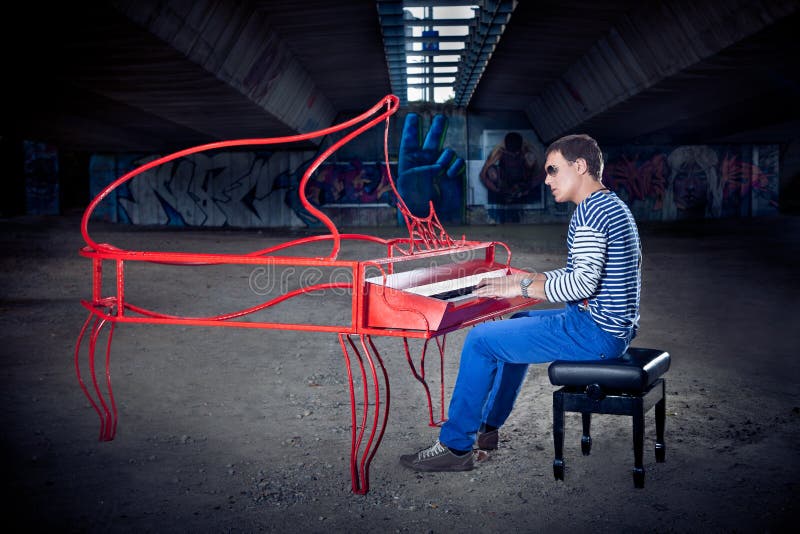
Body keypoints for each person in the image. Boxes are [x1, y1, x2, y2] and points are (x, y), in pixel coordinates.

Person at [400, 133, 642, 472]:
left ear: (581, 166)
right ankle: (487, 428)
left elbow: (582, 283)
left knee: (481, 340)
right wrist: (517, 282)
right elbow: (584, 273)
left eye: (554, 170)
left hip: (595, 333)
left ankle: (454, 447)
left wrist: (524, 285)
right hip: (610, 329)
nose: (546, 179)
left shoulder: (589, 213)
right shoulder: (611, 206)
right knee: (515, 323)